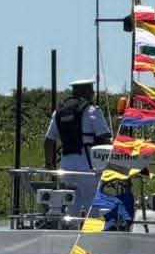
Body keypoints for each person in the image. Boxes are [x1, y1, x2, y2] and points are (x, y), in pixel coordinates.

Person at [44, 79, 113, 213]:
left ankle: (70, 229)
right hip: (88, 168)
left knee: (71, 204)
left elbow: (48, 141)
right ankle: (91, 231)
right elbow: (105, 139)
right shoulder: (93, 111)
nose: (93, 93)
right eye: (91, 90)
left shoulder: (59, 112)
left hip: (66, 167)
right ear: (86, 92)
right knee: (92, 205)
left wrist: (49, 165)